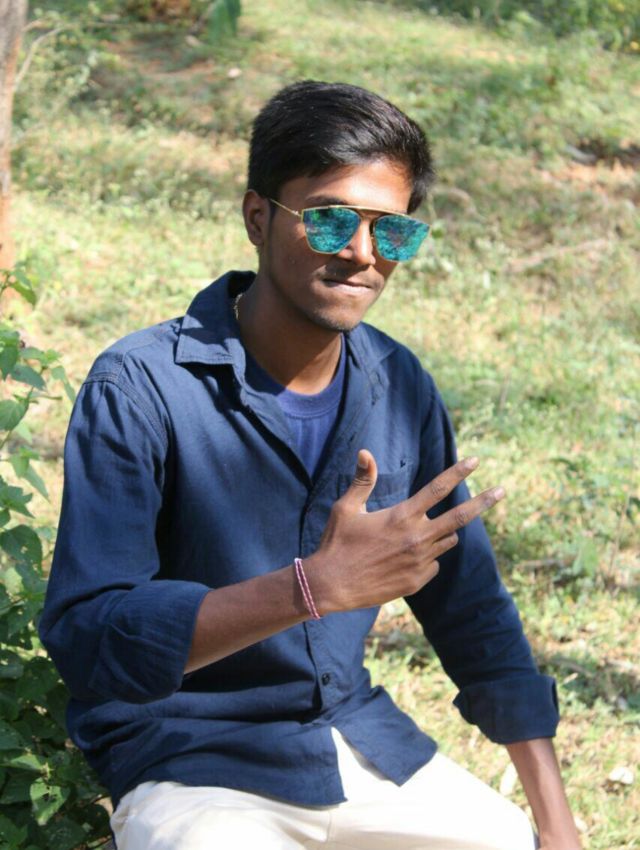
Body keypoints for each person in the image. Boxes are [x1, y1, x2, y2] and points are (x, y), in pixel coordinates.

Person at [39, 80, 581, 850]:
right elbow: (90, 640)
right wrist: (311, 588)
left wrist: (555, 825)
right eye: (331, 220)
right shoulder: (140, 387)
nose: (362, 253)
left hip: (355, 740)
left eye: (392, 232)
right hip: (192, 763)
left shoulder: (399, 385)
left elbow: (471, 610)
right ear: (257, 218)